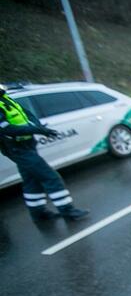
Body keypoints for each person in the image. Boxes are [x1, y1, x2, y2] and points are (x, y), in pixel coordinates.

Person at [0, 85, 89, 221]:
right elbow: (7, 129)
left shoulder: (5, 99)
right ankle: (67, 210)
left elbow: (27, 114)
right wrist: (37, 130)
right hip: (16, 148)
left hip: (27, 144)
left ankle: (38, 213)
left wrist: (37, 127)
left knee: (32, 180)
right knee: (50, 177)